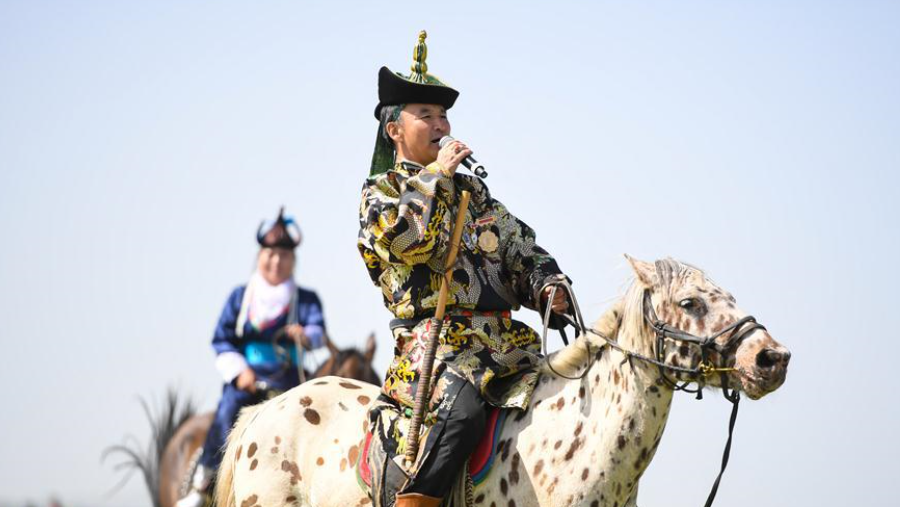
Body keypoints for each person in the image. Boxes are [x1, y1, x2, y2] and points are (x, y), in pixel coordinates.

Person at [358, 31, 572, 507]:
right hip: (437, 350)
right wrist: (436, 175)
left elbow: (517, 246)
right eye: (426, 116)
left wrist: (547, 284)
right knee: (465, 413)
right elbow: (409, 241)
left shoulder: (474, 193)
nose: (441, 125)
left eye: (444, 116)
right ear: (394, 130)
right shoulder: (381, 194)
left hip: (508, 346)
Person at [176, 208, 326, 507]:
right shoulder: (240, 297)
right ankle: (204, 483)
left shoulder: (306, 299)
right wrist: (240, 372)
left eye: (284, 256)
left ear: (293, 260)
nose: (277, 261)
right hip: (247, 380)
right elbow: (221, 340)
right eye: (271, 254)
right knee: (226, 413)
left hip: (290, 379)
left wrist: (305, 335)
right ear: (260, 256)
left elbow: (319, 332)